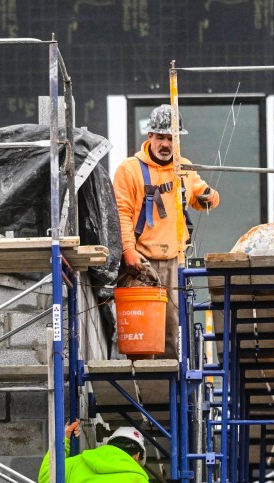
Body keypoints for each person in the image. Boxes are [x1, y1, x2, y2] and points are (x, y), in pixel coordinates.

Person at [113, 104, 220, 359]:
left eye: (172, 138)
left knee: (173, 333)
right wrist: (128, 251)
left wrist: (209, 197)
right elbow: (122, 215)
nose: (166, 144)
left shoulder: (184, 168)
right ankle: (144, 392)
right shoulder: (129, 170)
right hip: (140, 262)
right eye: (161, 137)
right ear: (149, 136)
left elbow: (205, 198)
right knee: (142, 337)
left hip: (174, 262)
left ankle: (170, 396)